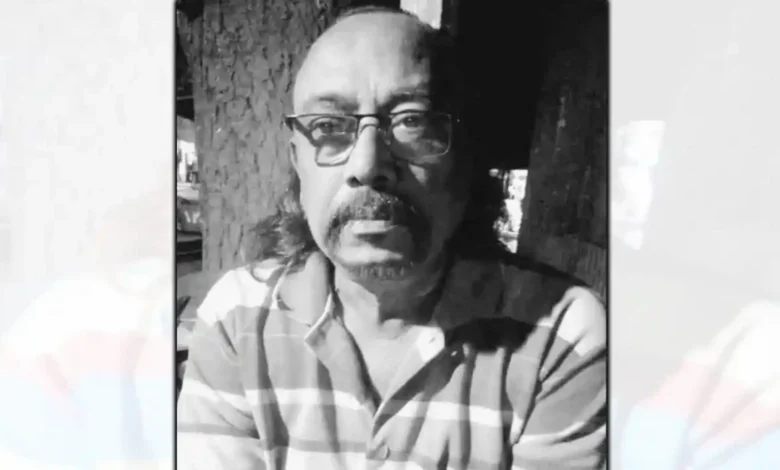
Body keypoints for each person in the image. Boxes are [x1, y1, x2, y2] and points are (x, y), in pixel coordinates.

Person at [177, 6, 606, 470]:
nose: (367, 165)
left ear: (466, 157)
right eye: (328, 127)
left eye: (412, 121)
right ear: (298, 162)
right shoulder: (237, 320)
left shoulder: (560, 334)